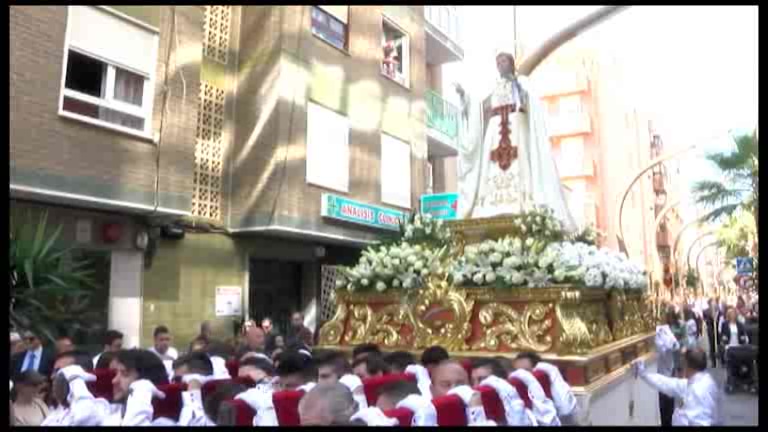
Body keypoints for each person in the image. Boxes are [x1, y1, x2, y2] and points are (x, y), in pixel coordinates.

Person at [455, 50, 577, 230]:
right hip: (496, 132)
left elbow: (529, 103)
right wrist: (464, 97)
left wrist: (517, 86)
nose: (500, 66)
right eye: (498, 63)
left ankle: (522, 200)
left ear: (511, 64)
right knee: (492, 168)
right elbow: (478, 109)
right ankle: (490, 204)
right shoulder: (494, 88)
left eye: (503, 62)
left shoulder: (521, 84)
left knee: (520, 164)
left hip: (516, 129)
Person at [43, 349, 168, 426]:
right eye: (116, 374)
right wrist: (76, 383)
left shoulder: (164, 422)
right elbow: (82, 419)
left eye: (124, 374)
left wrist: (140, 398)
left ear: (146, 381)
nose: (114, 381)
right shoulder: (107, 411)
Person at [632, 348, 720, 426]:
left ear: (688, 366)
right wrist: (643, 373)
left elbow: (688, 420)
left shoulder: (696, 390)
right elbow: (666, 383)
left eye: (684, 364)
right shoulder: (704, 380)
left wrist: (678, 413)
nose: (682, 367)